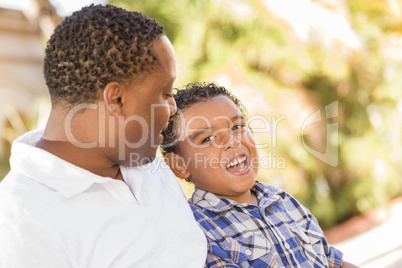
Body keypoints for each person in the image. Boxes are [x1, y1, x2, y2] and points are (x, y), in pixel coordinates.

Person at [0, 4, 207, 267]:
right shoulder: (22, 221)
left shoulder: (146, 164)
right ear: (116, 98)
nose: (173, 106)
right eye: (165, 93)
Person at [161, 82, 359, 268]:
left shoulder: (282, 200)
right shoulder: (198, 230)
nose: (232, 141)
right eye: (208, 138)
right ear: (179, 165)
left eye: (237, 127)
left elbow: (332, 261)